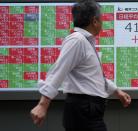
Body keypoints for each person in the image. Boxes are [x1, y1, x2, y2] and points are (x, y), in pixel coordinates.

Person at [30, 0, 131, 131]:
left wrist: (116, 91)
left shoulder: (85, 41)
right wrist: (43, 104)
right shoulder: (77, 40)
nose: (103, 23)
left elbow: (91, 76)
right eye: (102, 19)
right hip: (83, 110)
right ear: (94, 21)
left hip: (88, 110)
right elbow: (59, 70)